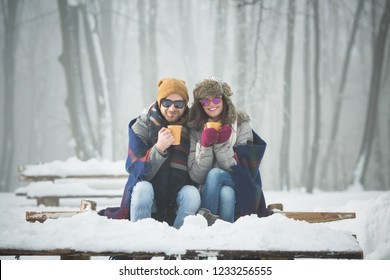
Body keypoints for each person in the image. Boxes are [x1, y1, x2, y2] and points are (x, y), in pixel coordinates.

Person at [99, 78, 200, 229]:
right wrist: (158, 148)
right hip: (148, 198)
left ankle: (177, 246)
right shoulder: (142, 125)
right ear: (159, 102)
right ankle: (141, 246)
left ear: (185, 105)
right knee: (142, 188)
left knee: (192, 193)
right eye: (167, 102)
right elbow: (134, 169)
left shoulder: (193, 127)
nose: (172, 108)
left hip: (175, 200)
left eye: (178, 104)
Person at [187, 77, 272, 225]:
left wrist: (221, 144)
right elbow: (197, 176)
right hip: (207, 187)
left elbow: (239, 169)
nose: (211, 104)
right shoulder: (195, 129)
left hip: (240, 180)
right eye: (205, 101)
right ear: (200, 104)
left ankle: (206, 223)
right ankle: (225, 233)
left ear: (224, 100)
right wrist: (206, 145)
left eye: (216, 99)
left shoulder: (240, 125)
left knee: (215, 174)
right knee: (226, 193)